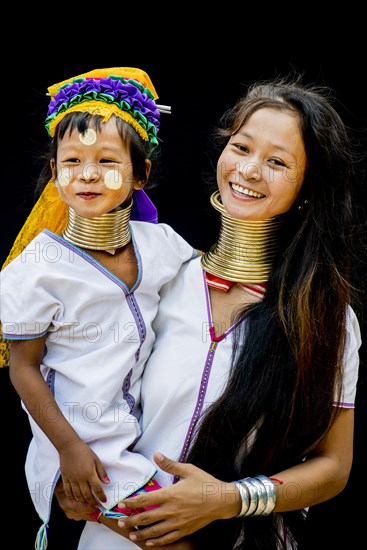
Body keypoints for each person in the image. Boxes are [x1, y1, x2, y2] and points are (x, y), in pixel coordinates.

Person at [58, 75, 362, 550]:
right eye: (241, 148)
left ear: (307, 187)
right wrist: (71, 486)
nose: (250, 170)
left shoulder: (325, 318)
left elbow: (334, 467)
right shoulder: (153, 279)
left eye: (277, 161)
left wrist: (228, 500)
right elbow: (82, 405)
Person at [0, 67, 198, 550]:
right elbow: (22, 370)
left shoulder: (162, 245)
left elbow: (211, 285)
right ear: (54, 172)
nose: (86, 174)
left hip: (145, 436)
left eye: (107, 160)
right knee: (171, 539)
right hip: (83, 448)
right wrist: (70, 448)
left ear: (140, 173)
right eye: (71, 161)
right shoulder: (35, 270)